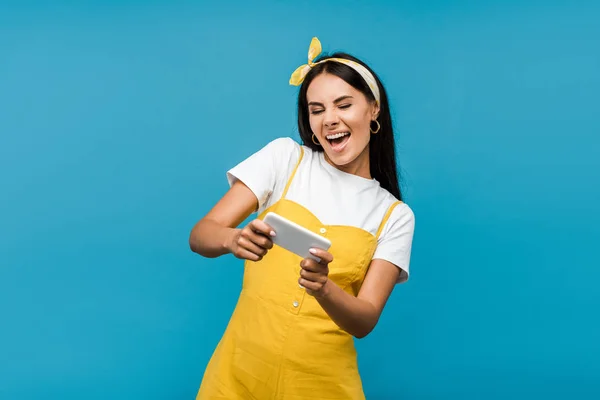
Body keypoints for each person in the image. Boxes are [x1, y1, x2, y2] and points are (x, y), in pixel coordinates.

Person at [189, 37, 415, 399]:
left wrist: (324, 287)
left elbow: (365, 319)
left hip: (321, 386)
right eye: (317, 109)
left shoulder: (395, 215)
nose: (331, 120)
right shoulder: (284, 159)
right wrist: (232, 239)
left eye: (344, 104)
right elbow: (201, 235)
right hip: (237, 376)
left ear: (374, 110)